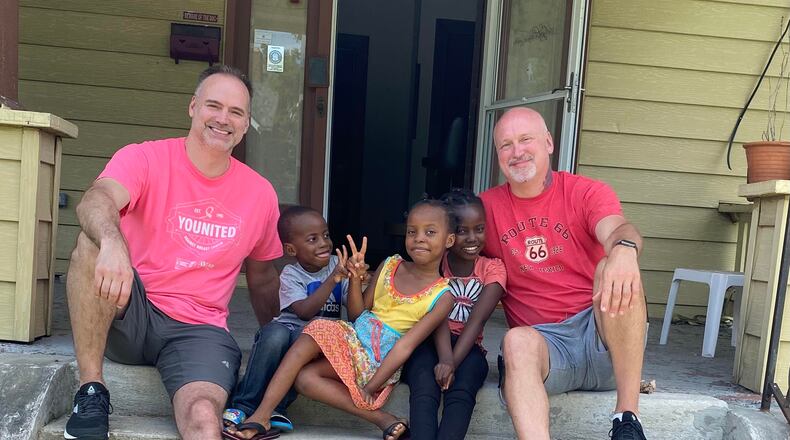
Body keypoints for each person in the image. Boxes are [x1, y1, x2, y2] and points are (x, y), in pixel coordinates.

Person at [64, 65, 283, 440]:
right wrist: (114, 242)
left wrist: (277, 343)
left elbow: (262, 277)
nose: (223, 119)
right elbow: (96, 200)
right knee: (92, 241)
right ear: (193, 107)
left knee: (202, 417)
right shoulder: (145, 159)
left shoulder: (260, 194)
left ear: (247, 124)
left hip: (199, 330)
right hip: (130, 309)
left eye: (236, 112)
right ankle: (91, 391)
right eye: (214, 106)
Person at [224, 199, 457, 440]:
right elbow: (358, 315)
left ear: (449, 240)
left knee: (309, 357)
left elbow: (405, 346)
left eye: (430, 232)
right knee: (307, 361)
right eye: (412, 231)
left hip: (379, 360)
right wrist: (355, 279)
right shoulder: (391, 265)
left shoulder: (443, 296)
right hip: (354, 338)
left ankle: (261, 415)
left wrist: (371, 386)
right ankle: (264, 414)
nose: (419, 238)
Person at [481, 107, 647, 440]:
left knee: (612, 265)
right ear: (498, 156)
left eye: (525, 139)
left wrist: (625, 250)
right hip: (546, 351)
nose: (517, 152)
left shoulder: (585, 192)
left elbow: (617, 229)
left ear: (548, 143)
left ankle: (626, 420)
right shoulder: (486, 208)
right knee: (515, 341)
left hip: (602, 337)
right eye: (506, 145)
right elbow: (451, 250)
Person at [223, 206, 351, 433]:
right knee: (274, 335)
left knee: (303, 345)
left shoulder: (337, 265)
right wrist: (333, 279)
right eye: (312, 239)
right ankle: (243, 404)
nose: (323, 243)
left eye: (326, 235)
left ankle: (277, 408)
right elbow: (303, 311)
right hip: (291, 327)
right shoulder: (291, 274)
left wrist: (357, 279)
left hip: (318, 338)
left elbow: (355, 312)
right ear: (292, 249)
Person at [403, 189, 506, 440]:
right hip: (429, 340)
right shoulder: (436, 264)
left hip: (468, 347)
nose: (472, 238)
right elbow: (436, 314)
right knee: (424, 383)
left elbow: (477, 320)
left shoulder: (493, 269)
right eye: (462, 231)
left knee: (462, 387)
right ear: (448, 236)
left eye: (479, 228)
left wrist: (451, 362)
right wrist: (443, 359)